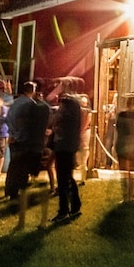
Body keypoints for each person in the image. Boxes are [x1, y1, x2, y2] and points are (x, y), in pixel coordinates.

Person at [5, 81, 49, 200]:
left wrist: (12, 133)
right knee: (22, 167)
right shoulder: (29, 104)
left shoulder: (15, 103)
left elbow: (8, 120)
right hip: (23, 140)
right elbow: (25, 122)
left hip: (13, 137)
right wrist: (20, 135)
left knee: (13, 165)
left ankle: (9, 189)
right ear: (33, 90)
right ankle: (18, 190)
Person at [49, 94, 82, 222]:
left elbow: (55, 124)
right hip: (70, 147)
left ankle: (63, 211)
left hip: (63, 148)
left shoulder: (64, 117)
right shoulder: (74, 115)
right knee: (68, 177)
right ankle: (75, 205)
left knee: (62, 180)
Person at [113, 94, 134, 201]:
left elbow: (118, 128)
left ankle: (125, 196)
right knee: (132, 172)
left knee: (124, 171)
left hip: (123, 143)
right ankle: (131, 195)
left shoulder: (121, 115)